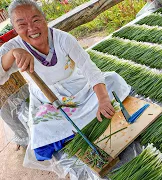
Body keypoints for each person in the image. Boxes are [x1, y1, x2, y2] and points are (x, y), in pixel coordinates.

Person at [0, 0, 130, 161]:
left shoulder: (63, 39)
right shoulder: (11, 48)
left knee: (112, 81)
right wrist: (13, 53)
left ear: (44, 18)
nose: (31, 28)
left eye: (36, 20)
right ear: (15, 29)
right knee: (42, 131)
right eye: (22, 24)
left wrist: (103, 100)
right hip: (47, 98)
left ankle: (77, 125)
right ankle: (75, 126)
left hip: (79, 88)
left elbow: (90, 69)